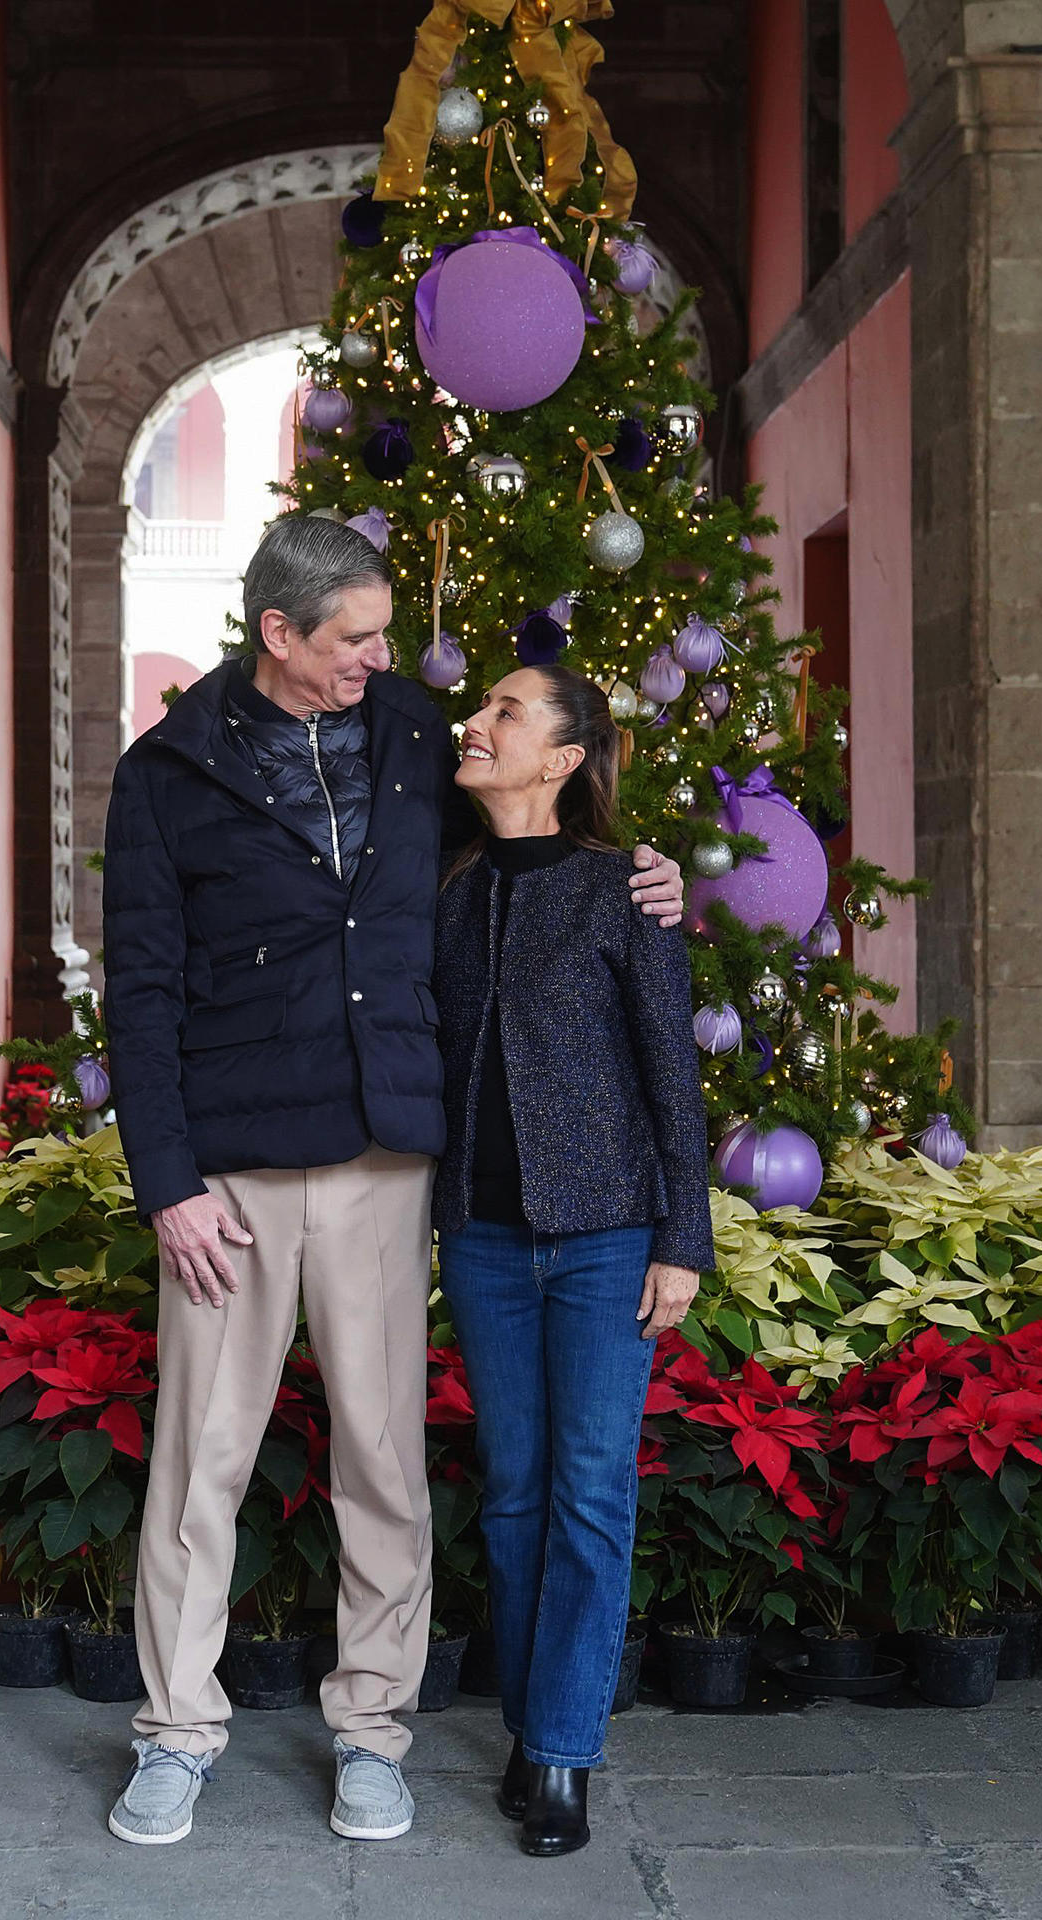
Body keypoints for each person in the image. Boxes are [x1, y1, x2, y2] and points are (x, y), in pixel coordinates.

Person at [100, 517, 685, 1848]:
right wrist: (168, 1185)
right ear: (279, 635)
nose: (380, 658)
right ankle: (177, 1733)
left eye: (378, 634)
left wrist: (640, 872)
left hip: (381, 1159)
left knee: (381, 1461)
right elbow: (135, 993)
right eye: (351, 638)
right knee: (202, 1464)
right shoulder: (167, 773)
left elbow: (537, 847)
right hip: (227, 1176)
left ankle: (371, 1729)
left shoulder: (418, 736)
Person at [432, 664, 715, 1859]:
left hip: (605, 1236)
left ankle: (558, 1753)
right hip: (485, 1237)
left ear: (559, 758)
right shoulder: (441, 886)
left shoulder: (621, 893)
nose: (476, 721)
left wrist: (682, 1240)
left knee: (591, 1496)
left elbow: (671, 1069)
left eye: (504, 711)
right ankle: (538, 1717)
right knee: (511, 1495)